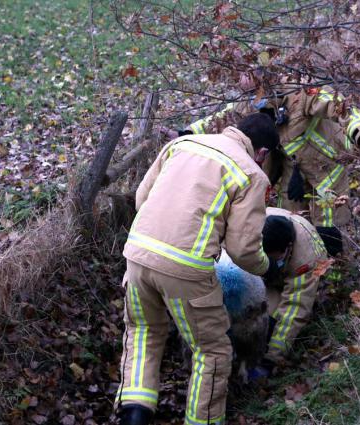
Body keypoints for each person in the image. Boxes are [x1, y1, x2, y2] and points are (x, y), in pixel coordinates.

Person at [114, 114, 280, 425]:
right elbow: (244, 251)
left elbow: (141, 199)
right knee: (213, 352)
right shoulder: (250, 174)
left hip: (137, 255)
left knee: (143, 332)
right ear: (263, 153)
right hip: (186, 269)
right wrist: (267, 267)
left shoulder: (182, 144)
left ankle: (133, 416)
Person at [180, 75, 360, 257]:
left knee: (328, 223)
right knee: (289, 217)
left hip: (327, 166)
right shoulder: (250, 104)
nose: (253, 99)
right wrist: (187, 132)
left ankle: (334, 270)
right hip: (293, 169)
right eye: (249, 94)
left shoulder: (301, 91)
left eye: (256, 92)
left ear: (268, 84)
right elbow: (222, 118)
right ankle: (298, 259)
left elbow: (340, 106)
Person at [248, 207, 329, 381]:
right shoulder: (251, 230)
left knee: (271, 317)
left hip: (298, 274)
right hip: (270, 274)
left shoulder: (305, 260)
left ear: (288, 248)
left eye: (274, 259)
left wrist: (271, 359)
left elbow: (294, 311)